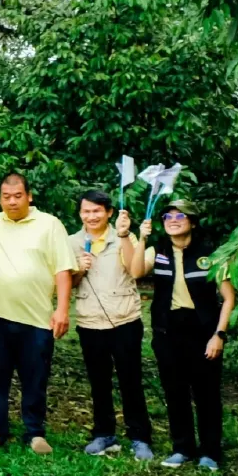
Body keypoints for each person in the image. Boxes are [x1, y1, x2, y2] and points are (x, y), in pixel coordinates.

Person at [0, 167, 77, 454]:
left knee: (35, 378)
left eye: (18, 195)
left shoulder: (50, 224)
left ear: (29, 196)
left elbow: (63, 269)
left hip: (37, 317)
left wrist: (62, 310)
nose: (12, 201)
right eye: (6, 196)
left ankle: (35, 432)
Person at [133, 200, 236, 470]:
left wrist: (219, 335)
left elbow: (228, 298)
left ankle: (210, 452)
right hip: (168, 329)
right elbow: (135, 271)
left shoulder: (210, 254)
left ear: (192, 221)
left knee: (206, 393)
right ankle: (182, 448)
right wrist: (141, 239)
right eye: (168, 217)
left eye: (180, 216)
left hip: (203, 330)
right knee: (174, 391)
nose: (173, 221)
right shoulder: (159, 250)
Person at [68, 191, 153, 461]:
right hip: (90, 321)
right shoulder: (72, 242)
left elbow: (135, 271)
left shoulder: (124, 237)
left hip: (124, 319)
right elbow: (66, 283)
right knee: (99, 382)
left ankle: (140, 437)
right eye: (86, 211)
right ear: (80, 214)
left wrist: (126, 235)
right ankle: (104, 434)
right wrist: (79, 269)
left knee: (131, 380)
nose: (91, 216)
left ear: (109, 213)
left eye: (97, 211)